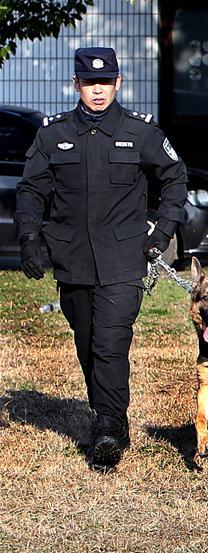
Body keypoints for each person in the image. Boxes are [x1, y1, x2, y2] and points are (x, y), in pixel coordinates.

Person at [15, 47, 188, 470]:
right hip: (72, 257)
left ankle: (109, 426)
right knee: (88, 343)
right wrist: (29, 237)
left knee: (111, 344)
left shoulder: (141, 132)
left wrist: (161, 233)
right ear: (77, 84)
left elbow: (175, 179)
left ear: (118, 83)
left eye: (105, 82)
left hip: (123, 258)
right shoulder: (52, 134)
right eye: (90, 83)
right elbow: (31, 190)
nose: (98, 90)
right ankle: (109, 414)